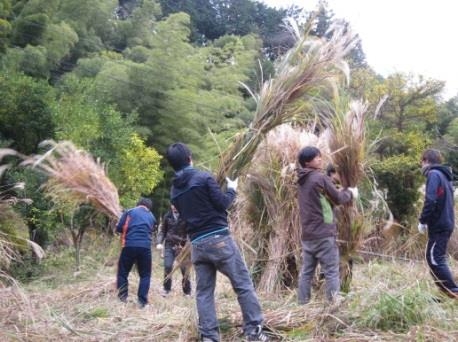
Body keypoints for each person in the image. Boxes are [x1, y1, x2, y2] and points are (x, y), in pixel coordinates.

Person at [165, 142, 269, 342]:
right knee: (243, 284)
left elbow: (183, 217)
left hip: (197, 245)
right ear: (189, 158)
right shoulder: (203, 177)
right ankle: (254, 332)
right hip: (218, 239)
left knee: (204, 292)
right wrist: (231, 189)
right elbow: (223, 204)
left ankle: (209, 337)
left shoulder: (174, 191)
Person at [296, 146, 357, 304]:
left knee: (307, 272)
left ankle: (302, 303)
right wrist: (350, 193)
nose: (320, 159)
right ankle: (333, 304)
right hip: (323, 233)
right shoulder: (319, 177)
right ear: (307, 161)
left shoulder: (301, 180)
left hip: (308, 235)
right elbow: (337, 198)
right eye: (317, 157)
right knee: (331, 270)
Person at [418, 149, 458, 298]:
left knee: (435, 259)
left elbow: (431, 200)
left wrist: (423, 221)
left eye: (421, 162)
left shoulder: (434, 174)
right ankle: (445, 293)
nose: (421, 165)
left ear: (426, 160)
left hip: (440, 225)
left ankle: (453, 291)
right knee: (434, 257)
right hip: (445, 222)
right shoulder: (445, 176)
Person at [116, 197, 157, 308]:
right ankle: (142, 302)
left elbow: (119, 228)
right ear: (148, 207)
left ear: (138, 204)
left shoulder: (129, 212)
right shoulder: (152, 216)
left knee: (123, 272)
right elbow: (152, 230)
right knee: (145, 275)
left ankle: (122, 298)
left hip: (129, 246)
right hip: (145, 248)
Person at [156, 203, 192, 297]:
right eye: (173, 204)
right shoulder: (167, 216)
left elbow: (190, 231)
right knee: (167, 266)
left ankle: (187, 291)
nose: (175, 206)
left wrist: (188, 243)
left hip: (182, 247)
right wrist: (159, 242)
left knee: (184, 269)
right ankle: (166, 289)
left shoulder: (186, 216)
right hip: (169, 245)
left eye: (177, 204)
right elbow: (163, 231)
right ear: (171, 205)